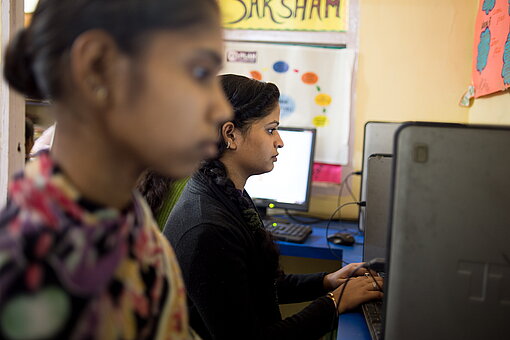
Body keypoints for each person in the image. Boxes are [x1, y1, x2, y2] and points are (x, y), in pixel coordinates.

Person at [0, 0, 231, 339]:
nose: (221, 108)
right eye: (198, 72)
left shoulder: (116, 212)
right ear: (98, 67)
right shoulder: (36, 275)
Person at [164, 74, 383, 340]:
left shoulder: (230, 194)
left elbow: (260, 286)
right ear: (231, 134)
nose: (280, 141)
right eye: (270, 129)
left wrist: (327, 281)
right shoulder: (208, 228)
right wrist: (334, 302)